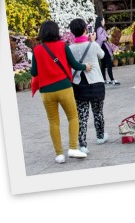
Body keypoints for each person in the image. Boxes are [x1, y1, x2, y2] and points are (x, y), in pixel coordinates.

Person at [31, 20, 91, 164]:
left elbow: (34, 72)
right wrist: (85, 66)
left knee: (53, 121)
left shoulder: (37, 50)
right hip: (64, 87)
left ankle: (59, 154)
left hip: (46, 92)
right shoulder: (62, 46)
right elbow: (74, 64)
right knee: (73, 117)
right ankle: (72, 148)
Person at [68, 18, 107, 154]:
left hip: (79, 84)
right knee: (98, 112)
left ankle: (83, 144)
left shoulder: (70, 48)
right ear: (85, 30)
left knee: (82, 116)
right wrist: (93, 41)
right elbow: (102, 55)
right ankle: (100, 136)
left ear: (72, 32)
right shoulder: (93, 45)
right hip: (96, 82)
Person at [95, 16, 119, 85]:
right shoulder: (100, 29)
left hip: (101, 48)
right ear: (100, 21)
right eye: (103, 20)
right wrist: (108, 37)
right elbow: (102, 39)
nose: (104, 22)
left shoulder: (97, 29)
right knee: (109, 64)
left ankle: (104, 79)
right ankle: (112, 79)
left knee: (103, 64)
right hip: (104, 47)